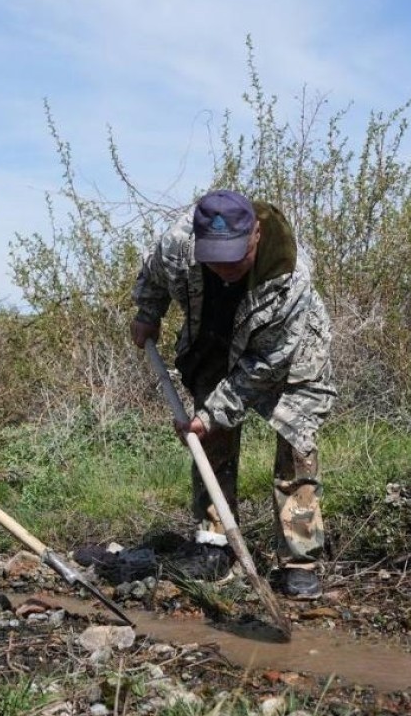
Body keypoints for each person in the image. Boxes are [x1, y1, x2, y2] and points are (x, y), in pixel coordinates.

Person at [130, 189, 337, 598]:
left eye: (235, 258)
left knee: (296, 449)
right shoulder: (178, 244)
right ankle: (216, 545)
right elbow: (154, 275)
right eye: (215, 258)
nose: (225, 269)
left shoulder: (290, 276)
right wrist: (148, 312)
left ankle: (300, 558)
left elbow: (265, 366)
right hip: (215, 340)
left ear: (255, 234)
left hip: (288, 355)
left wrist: (212, 413)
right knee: (211, 444)